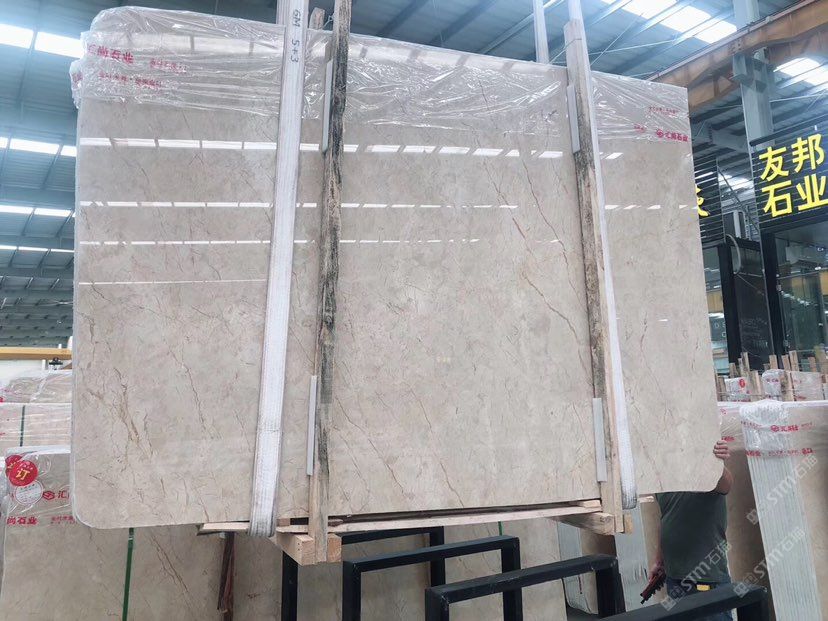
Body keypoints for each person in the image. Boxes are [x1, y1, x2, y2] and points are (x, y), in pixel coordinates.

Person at [650, 440, 733, 620]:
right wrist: (659, 559)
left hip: (705, 579)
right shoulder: (664, 480)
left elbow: (726, 484)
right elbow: (665, 517)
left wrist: (717, 463)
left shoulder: (705, 474)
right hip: (674, 578)